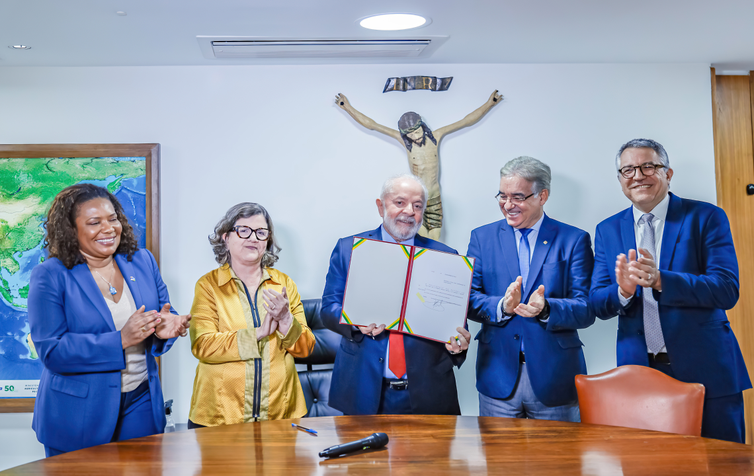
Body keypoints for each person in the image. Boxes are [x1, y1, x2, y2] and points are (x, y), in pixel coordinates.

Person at [590, 138, 751, 443]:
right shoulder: (607, 229)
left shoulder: (706, 217)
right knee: (648, 465)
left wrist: (661, 280)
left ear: (668, 173)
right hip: (639, 372)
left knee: (723, 466)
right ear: (620, 180)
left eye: (647, 166)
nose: (637, 176)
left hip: (708, 371)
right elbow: (598, 302)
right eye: (628, 170)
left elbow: (726, 289)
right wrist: (623, 292)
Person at [27, 184, 190, 457]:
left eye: (113, 218)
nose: (109, 228)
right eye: (94, 222)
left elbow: (163, 313)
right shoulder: (50, 275)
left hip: (140, 401)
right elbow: (52, 351)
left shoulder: (142, 261)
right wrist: (120, 340)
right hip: (77, 412)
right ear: (71, 229)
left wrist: (165, 328)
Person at [321, 174, 471, 415]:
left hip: (429, 393)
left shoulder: (447, 257)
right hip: (363, 390)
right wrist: (356, 322)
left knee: (433, 455)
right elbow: (328, 309)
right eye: (400, 203)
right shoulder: (348, 249)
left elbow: (455, 325)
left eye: (418, 205)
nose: (409, 211)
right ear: (381, 206)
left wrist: (458, 345)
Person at [466, 157, 594, 421]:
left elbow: (586, 309)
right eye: (502, 196)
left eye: (518, 197)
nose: (508, 205)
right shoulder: (481, 237)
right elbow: (467, 299)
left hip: (555, 378)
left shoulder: (574, 239)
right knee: (498, 462)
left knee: (557, 462)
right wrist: (502, 306)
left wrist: (547, 308)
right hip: (498, 377)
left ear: (542, 196)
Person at [188, 203, 315, 428]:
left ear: (267, 240)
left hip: (282, 413)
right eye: (243, 230)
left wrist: (286, 320)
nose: (253, 238)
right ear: (226, 237)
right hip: (220, 418)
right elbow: (203, 345)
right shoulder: (208, 285)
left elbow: (305, 348)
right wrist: (258, 333)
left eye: (261, 232)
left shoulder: (284, 284)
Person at [335, 91, 503, 240]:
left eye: (417, 131)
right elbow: (373, 125)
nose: (414, 136)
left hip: (435, 196)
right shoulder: (405, 141)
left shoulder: (435, 137)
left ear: (423, 127)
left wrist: (489, 104)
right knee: (421, 238)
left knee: (436, 239)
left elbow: (465, 121)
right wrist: (348, 107)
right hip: (416, 200)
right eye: (410, 134)